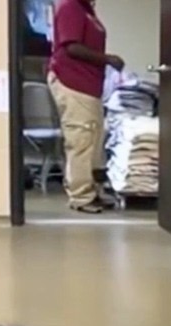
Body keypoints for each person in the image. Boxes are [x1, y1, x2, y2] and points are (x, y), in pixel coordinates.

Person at [47, 0, 124, 213]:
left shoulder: (85, 10)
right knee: (81, 139)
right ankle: (81, 196)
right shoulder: (70, 6)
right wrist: (107, 59)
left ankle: (93, 190)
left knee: (94, 138)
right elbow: (71, 47)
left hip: (89, 84)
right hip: (73, 80)